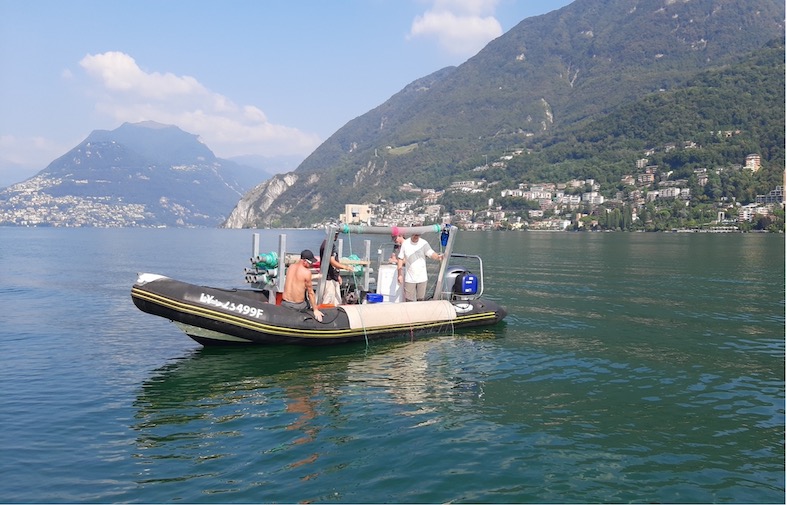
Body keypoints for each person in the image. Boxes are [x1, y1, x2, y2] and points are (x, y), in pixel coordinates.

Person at [397, 233, 443, 302]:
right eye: (415, 234)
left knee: (421, 300)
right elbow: (400, 258)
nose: (416, 237)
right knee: (409, 300)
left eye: (418, 235)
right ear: (411, 234)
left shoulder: (424, 243)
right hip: (409, 278)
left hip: (422, 278)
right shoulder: (405, 243)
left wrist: (438, 257)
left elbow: (431, 253)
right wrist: (399, 275)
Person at [281, 249, 323, 322]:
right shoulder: (307, 272)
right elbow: (311, 293)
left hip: (284, 303)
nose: (311, 265)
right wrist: (315, 310)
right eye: (310, 263)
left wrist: (315, 276)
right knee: (307, 299)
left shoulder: (290, 267)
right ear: (305, 261)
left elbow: (298, 279)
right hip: (297, 306)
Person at [319, 238, 354, 306]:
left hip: (333, 277)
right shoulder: (328, 245)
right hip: (329, 278)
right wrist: (346, 267)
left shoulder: (330, 244)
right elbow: (332, 261)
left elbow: (333, 262)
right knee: (328, 300)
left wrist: (337, 275)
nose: (337, 237)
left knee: (337, 301)